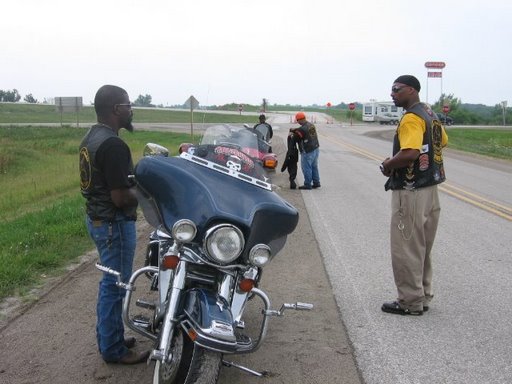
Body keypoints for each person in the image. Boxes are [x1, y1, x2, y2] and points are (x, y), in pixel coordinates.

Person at [79, 85, 149, 364]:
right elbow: (120, 197)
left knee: (111, 283)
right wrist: (147, 192)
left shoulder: (91, 137)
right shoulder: (114, 145)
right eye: (128, 105)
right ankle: (113, 349)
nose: (131, 110)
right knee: (115, 285)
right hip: (114, 223)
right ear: (116, 109)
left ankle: (112, 337)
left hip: (97, 219)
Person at [380, 75, 448, 316]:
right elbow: (443, 142)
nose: (392, 94)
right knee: (422, 246)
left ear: (411, 90)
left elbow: (409, 153)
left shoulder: (411, 118)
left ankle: (409, 302)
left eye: (397, 89)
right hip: (431, 188)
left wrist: (388, 165)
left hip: (411, 190)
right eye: (392, 89)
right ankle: (424, 295)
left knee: (407, 246)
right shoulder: (429, 114)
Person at [293, 112, 320, 190]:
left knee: (306, 167)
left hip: (308, 150)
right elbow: (304, 131)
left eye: (297, 121)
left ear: (299, 120)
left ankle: (307, 184)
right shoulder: (311, 125)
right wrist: (296, 130)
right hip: (316, 148)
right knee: (314, 166)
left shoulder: (302, 129)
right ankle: (316, 182)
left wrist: (293, 132)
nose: (297, 122)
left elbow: (296, 138)